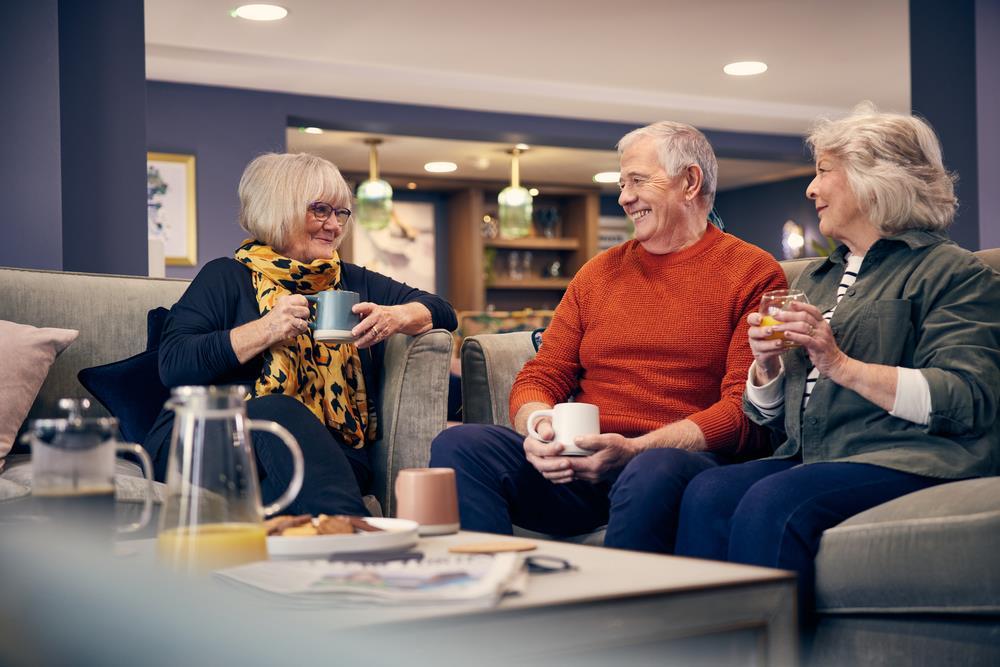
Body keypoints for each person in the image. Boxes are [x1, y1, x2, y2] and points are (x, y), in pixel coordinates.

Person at [674, 104, 1000, 618]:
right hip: (816, 456)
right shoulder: (816, 280)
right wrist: (767, 367)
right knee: (707, 490)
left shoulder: (953, 275)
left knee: (771, 503)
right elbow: (765, 415)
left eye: (824, 171)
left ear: (876, 181)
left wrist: (839, 362)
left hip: (907, 459)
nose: (811, 188)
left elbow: (966, 398)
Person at [430, 122, 786, 552]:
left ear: (690, 182)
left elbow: (743, 412)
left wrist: (635, 449)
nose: (624, 197)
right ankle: (488, 594)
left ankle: (619, 615)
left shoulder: (751, 271)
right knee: (460, 444)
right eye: (622, 183)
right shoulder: (598, 274)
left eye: (637, 181)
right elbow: (541, 376)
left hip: (672, 463)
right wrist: (539, 428)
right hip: (578, 466)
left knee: (653, 468)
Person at [144, 153, 457, 516]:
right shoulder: (226, 277)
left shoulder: (352, 281)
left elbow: (441, 310)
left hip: (331, 452)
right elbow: (174, 364)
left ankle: (314, 544)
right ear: (280, 208)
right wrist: (265, 330)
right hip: (213, 441)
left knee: (294, 480)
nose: (335, 225)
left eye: (341, 213)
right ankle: (356, 538)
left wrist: (397, 315)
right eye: (320, 210)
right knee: (279, 411)